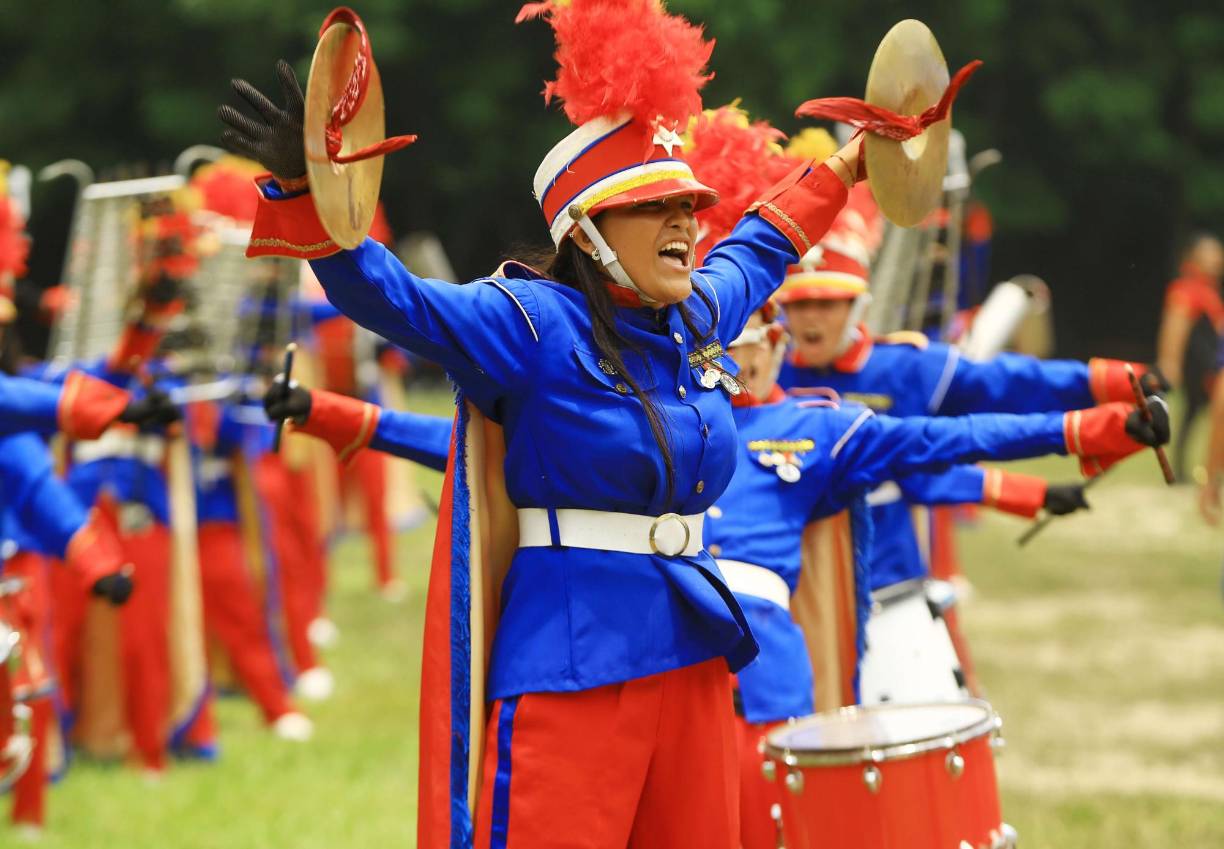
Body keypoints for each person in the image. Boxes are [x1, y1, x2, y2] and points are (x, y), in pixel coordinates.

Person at [218, 0, 875, 842]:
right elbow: (393, 299)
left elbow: (765, 241)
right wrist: (308, 190)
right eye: (658, 206)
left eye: (691, 204)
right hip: (574, 656)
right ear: (588, 229)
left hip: (699, 651)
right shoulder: (528, 321)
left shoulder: (695, 315)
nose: (687, 221)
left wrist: (855, 164)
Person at [1156, 233, 1224, 480]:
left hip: (1211, 365)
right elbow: (1174, 327)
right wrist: (1169, 362)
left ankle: (1188, 470)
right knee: (1194, 414)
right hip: (1200, 367)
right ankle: (1186, 470)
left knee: (1194, 415)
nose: (1217, 259)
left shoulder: (1209, 290)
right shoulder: (1186, 289)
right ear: (1195, 257)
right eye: (1211, 254)